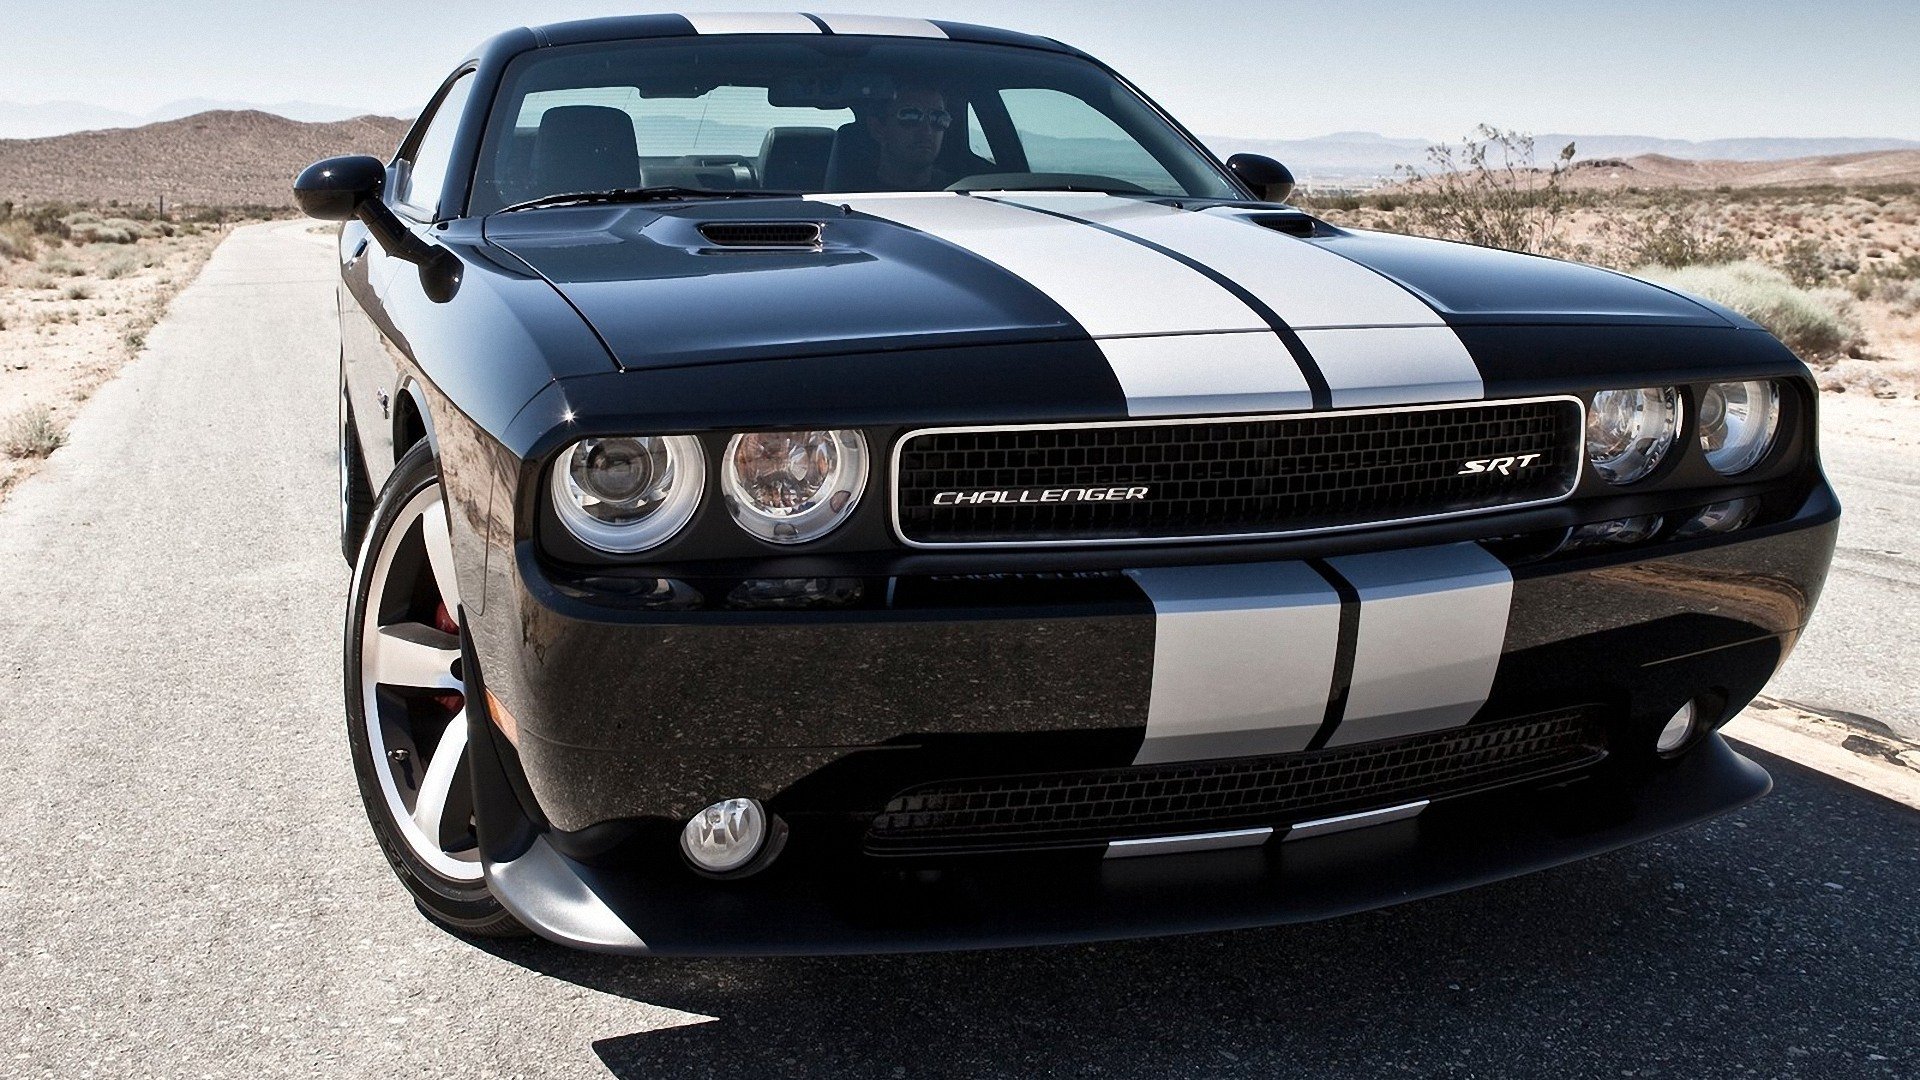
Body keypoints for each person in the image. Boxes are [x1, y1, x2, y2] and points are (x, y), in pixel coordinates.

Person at [863, 85, 953, 190]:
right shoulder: (851, 195)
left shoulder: (964, 193)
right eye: (910, 116)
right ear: (878, 129)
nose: (927, 131)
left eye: (938, 118)